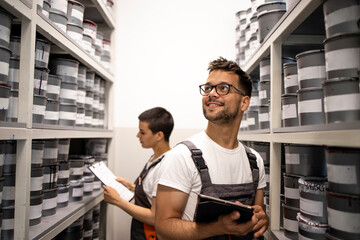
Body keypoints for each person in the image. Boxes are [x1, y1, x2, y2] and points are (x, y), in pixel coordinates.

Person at [155, 57, 268, 240]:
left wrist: (262, 220)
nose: (212, 94)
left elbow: (258, 214)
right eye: (208, 88)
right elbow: (163, 228)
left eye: (223, 88)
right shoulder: (181, 156)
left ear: (244, 103)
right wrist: (217, 227)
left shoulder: (254, 161)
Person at [103, 107, 174, 240]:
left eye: (142, 132)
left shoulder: (166, 166)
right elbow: (152, 193)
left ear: (159, 135)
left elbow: (155, 217)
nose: (137, 136)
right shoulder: (155, 158)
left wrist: (117, 201)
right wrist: (131, 186)